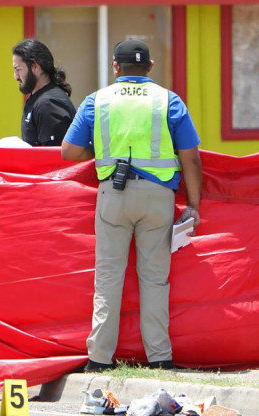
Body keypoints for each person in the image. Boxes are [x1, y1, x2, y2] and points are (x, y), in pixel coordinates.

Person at [61, 39, 203, 372]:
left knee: (108, 278)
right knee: (154, 279)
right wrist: (194, 205)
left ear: (115, 68)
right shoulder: (169, 101)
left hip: (113, 194)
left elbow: (69, 151)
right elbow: (191, 158)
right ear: (150, 67)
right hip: (158, 198)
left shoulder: (98, 100)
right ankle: (160, 357)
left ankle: (99, 359)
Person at [12, 39, 76, 146]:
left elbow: (54, 156)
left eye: (18, 69)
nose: (15, 76)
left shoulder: (48, 104)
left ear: (35, 67)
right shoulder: (38, 98)